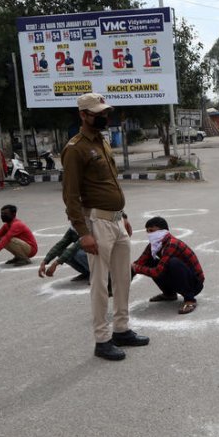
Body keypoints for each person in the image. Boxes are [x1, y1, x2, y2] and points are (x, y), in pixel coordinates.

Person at [61, 92, 149, 361]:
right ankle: (102, 339)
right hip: (96, 223)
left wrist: (123, 214)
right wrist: (83, 233)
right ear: (83, 115)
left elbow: (111, 185)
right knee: (100, 284)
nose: (104, 117)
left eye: (105, 113)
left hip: (115, 219)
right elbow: (71, 196)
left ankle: (121, 329)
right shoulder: (75, 149)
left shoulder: (102, 142)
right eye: (99, 114)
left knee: (123, 277)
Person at [132, 216, 204, 315]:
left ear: (162, 230)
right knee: (150, 261)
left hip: (195, 283)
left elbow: (157, 272)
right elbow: (139, 263)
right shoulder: (153, 246)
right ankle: (169, 294)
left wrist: (137, 268)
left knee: (173, 263)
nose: (149, 234)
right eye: (148, 231)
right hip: (180, 278)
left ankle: (190, 299)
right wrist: (129, 271)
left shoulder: (172, 244)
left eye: (152, 230)